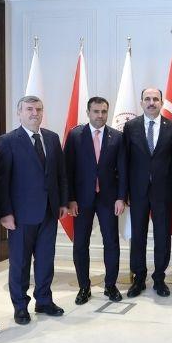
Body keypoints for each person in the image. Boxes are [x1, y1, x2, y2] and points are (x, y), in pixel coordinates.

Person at [0, 95, 70, 324]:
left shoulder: (52, 138)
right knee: (20, 263)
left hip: (49, 211)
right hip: (20, 215)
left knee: (46, 260)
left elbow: (61, 174)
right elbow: (1, 181)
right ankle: (20, 306)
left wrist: (63, 202)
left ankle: (44, 300)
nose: (34, 113)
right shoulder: (8, 141)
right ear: (19, 113)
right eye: (29, 109)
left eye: (38, 109)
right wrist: (5, 212)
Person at [66, 96, 127, 303]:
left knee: (111, 242)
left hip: (108, 199)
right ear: (88, 113)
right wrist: (70, 199)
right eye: (96, 111)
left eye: (103, 112)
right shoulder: (75, 135)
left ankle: (110, 285)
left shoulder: (117, 137)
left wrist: (121, 197)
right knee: (80, 244)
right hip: (81, 200)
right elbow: (68, 170)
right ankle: (84, 287)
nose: (100, 115)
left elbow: (123, 170)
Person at [121, 87, 172, 297]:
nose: (151, 102)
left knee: (162, 235)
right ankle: (139, 279)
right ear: (141, 102)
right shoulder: (130, 127)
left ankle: (159, 279)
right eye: (147, 99)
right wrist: (123, 193)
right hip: (137, 192)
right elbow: (124, 162)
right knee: (138, 236)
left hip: (164, 192)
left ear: (161, 102)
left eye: (155, 99)